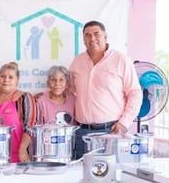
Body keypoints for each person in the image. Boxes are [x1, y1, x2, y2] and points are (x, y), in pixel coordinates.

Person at [68, 21, 142, 159]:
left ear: (105, 37)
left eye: (97, 34)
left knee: (111, 176)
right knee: (79, 176)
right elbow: (70, 91)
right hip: (82, 132)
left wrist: (124, 123)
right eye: (87, 35)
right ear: (83, 40)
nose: (92, 39)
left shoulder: (121, 60)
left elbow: (135, 93)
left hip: (112, 131)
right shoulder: (77, 62)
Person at [0, 62, 37, 163]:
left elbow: (30, 125)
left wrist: (23, 149)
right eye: (3, 76)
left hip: (18, 158)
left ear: (17, 81)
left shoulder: (24, 98)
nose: (6, 80)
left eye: (11, 77)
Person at [18, 65, 76, 160]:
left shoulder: (73, 100)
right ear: (48, 83)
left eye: (61, 80)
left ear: (67, 83)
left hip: (68, 151)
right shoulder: (41, 101)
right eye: (53, 80)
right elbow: (34, 128)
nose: (57, 83)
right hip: (47, 152)